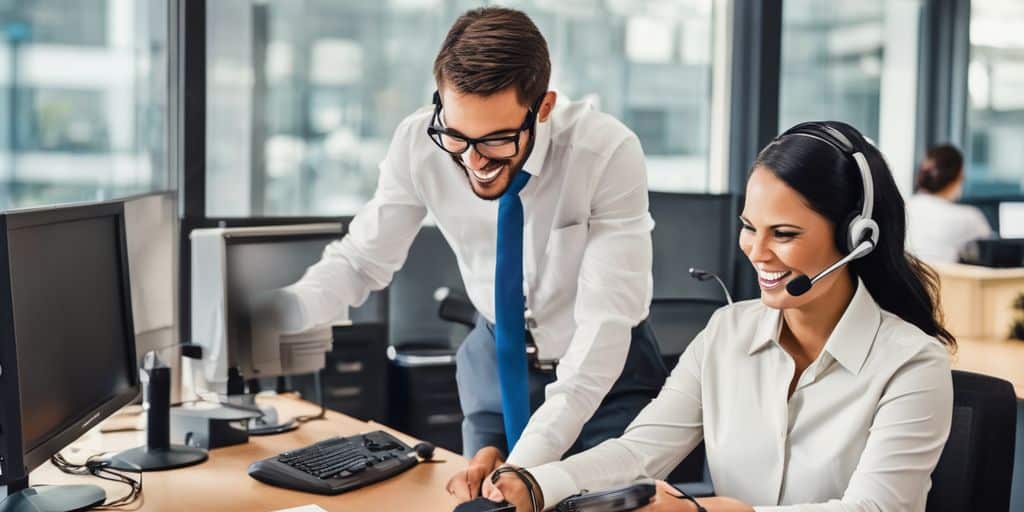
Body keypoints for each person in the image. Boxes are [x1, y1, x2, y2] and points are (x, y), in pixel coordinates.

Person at [256, 5, 668, 496]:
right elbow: (362, 260)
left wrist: (527, 467)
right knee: (481, 496)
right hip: (495, 363)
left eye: (496, 139)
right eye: (456, 135)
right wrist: (278, 314)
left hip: (605, 376)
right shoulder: (418, 143)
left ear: (543, 107)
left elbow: (603, 330)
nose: (473, 161)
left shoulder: (606, 153)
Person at [485, 121, 955, 512]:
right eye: (750, 227)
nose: (757, 251)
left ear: (855, 238)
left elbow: (873, 510)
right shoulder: (726, 334)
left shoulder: (913, 364)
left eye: (784, 233)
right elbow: (638, 452)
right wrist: (536, 484)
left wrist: (709, 511)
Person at [906, 144, 992, 263]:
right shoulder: (968, 217)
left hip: (907, 280)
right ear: (956, 177)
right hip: (942, 280)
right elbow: (992, 248)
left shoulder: (905, 206)